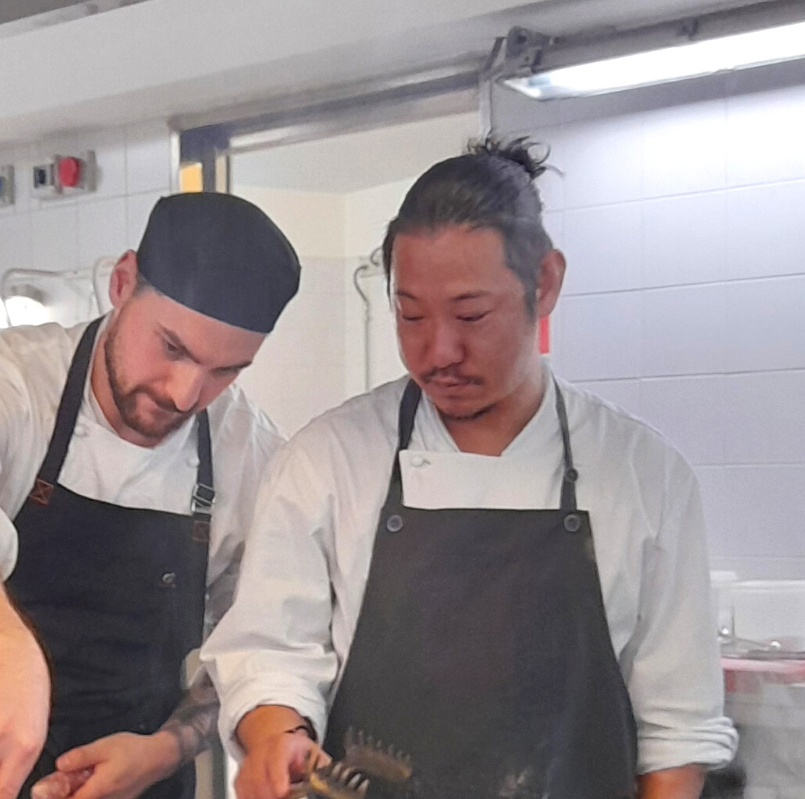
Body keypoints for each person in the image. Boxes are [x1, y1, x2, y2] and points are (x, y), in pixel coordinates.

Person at [201, 139, 737, 799]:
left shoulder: (644, 477)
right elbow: (269, 654)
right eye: (411, 314)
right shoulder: (327, 461)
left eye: (471, 314)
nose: (438, 351)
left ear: (544, 282)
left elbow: (677, 727)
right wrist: (277, 738)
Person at [0, 193, 301, 799]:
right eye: (172, 348)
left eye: (225, 371)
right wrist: (1, 654)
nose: (186, 393)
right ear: (122, 282)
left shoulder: (250, 455)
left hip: (137, 781)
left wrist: (164, 750)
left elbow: (249, 644)